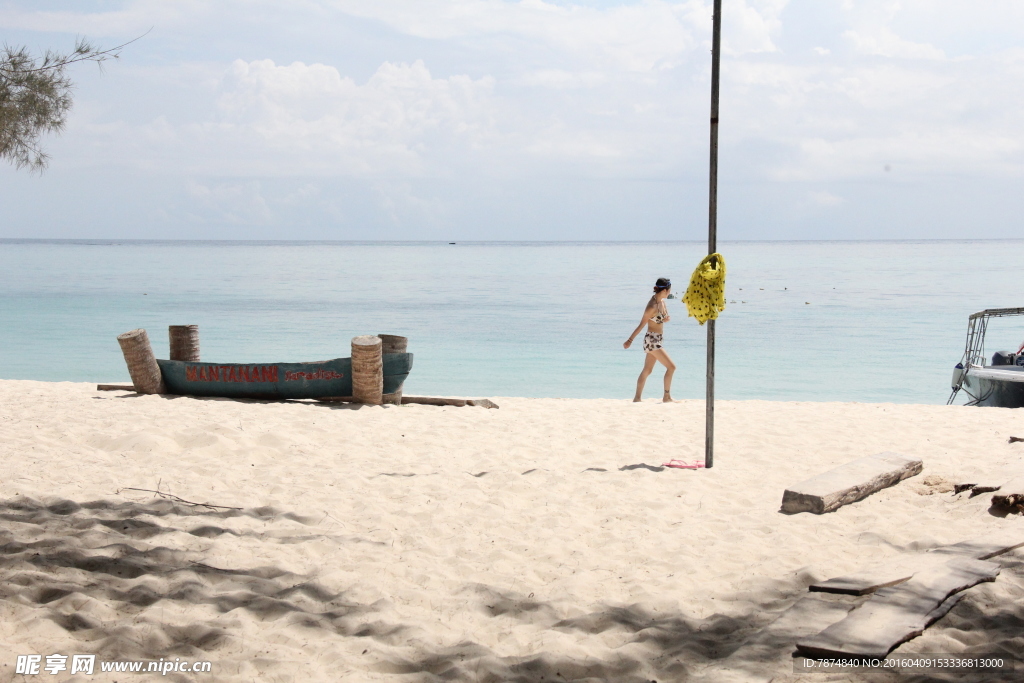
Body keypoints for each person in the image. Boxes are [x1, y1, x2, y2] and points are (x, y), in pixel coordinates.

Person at [623, 277, 677, 402]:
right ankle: (666, 396)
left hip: (658, 339)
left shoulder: (662, 302)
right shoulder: (651, 306)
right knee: (671, 367)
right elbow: (641, 324)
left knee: (647, 370)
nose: (670, 292)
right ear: (664, 291)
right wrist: (629, 340)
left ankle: (637, 398)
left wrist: (664, 319)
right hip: (652, 341)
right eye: (669, 290)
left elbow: (661, 318)